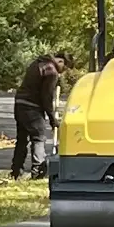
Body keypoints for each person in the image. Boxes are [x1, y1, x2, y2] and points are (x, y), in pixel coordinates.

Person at [12, 52, 71, 180]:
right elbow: (47, 97)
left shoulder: (37, 63)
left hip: (19, 103)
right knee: (38, 138)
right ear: (61, 61)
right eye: (64, 68)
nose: (62, 72)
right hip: (32, 107)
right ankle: (38, 171)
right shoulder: (51, 71)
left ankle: (16, 171)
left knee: (22, 140)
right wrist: (52, 118)